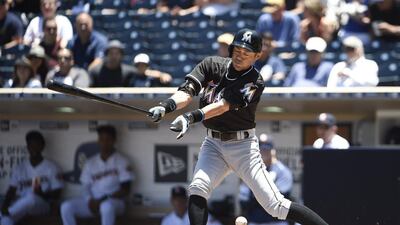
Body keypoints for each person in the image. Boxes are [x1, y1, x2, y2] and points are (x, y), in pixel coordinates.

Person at [148, 28, 328, 225]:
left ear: (257, 56)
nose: (240, 56)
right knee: (198, 188)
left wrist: (190, 117)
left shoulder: (255, 81)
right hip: (213, 143)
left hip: (243, 147)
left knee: (276, 206)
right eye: (237, 50)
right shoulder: (212, 65)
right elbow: (187, 91)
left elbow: (223, 106)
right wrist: (166, 106)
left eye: (246, 53)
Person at [60, 125, 134, 225]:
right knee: (66, 206)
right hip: (93, 202)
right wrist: (89, 200)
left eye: (108, 139)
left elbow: (125, 190)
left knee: (106, 207)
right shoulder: (90, 162)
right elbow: (85, 186)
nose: (105, 143)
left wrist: (103, 199)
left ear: (114, 140)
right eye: (102, 139)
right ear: (98, 140)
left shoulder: (123, 161)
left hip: (114, 202)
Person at [0, 130, 63, 225]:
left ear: (42, 146)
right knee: (6, 220)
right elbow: (11, 190)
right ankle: (3, 215)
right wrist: (4, 206)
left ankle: (3, 214)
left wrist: (42, 194)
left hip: (43, 204)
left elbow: (57, 194)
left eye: (37, 145)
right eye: (31, 145)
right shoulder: (20, 167)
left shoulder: (52, 167)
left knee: (31, 197)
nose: (34, 148)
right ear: (27, 147)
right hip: (21, 204)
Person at [239, 134, 293, 225]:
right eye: (261, 148)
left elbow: (279, 200)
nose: (263, 151)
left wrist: (256, 192)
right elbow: (243, 199)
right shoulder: (250, 171)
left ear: (273, 151)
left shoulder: (282, 171)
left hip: (277, 222)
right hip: (255, 221)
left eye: (266, 149)